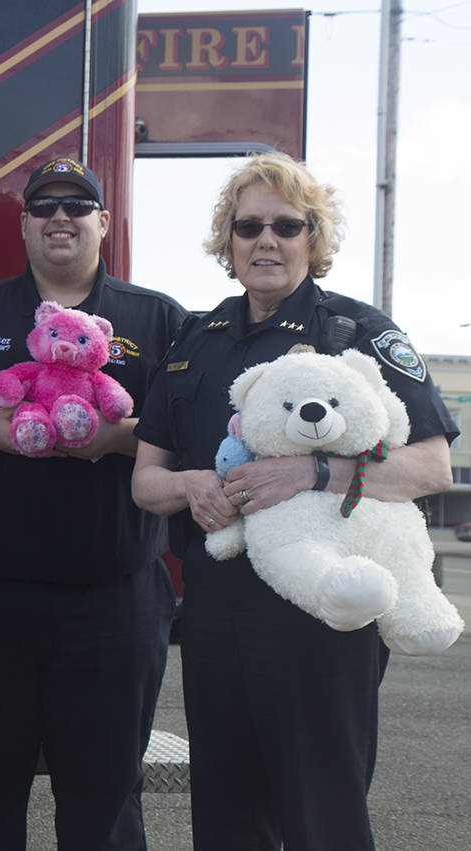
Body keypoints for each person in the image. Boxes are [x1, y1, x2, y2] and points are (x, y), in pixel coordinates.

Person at [131, 152, 456, 850]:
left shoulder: (355, 333)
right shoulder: (196, 340)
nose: (266, 241)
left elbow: (431, 465)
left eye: (287, 224)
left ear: (314, 237)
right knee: (224, 816)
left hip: (325, 616)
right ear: (229, 240)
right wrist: (190, 484)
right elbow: (146, 482)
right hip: (217, 609)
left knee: (323, 815)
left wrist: (315, 472)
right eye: (249, 226)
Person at [0, 155, 186, 849]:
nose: (62, 217)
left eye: (78, 206)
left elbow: (192, 433)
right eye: (46, 207)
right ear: (25, 225)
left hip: (114, 604)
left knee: (105, 800)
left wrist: (116, 440)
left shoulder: (158, 316)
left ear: (104, 223)